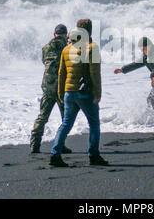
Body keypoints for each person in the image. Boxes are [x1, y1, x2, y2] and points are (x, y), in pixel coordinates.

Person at [49, 19, 109, 167]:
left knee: (66, 124)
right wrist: (98, 94)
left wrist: (61, 93)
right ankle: (93, 155)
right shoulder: (92, 47)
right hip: (85, 93)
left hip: (69, 92)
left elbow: (61, 73)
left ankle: (55, 154)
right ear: (90, 31)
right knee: (94, 124)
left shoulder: (67, 48)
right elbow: (95, 73)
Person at [30, 24, 72, 154]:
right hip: (61, 87)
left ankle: (34, 144)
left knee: (42, 116)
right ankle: (60, 144)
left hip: (48, 86)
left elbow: (45, 62)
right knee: (65, 119)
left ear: (54, 34)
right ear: (66, 35)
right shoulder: (68, 48)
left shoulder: (46, 48)